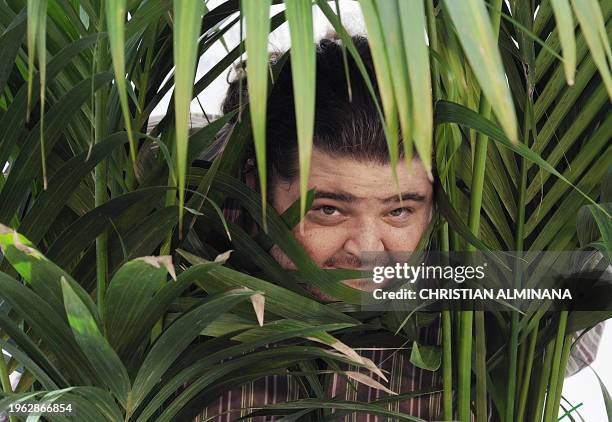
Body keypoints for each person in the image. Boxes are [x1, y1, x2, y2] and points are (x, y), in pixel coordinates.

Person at [193, 34, 603, 422]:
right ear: (256, 187)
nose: (367, 249)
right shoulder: (180, 238)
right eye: (329, 210)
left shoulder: (486, 270)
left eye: (400, 211)